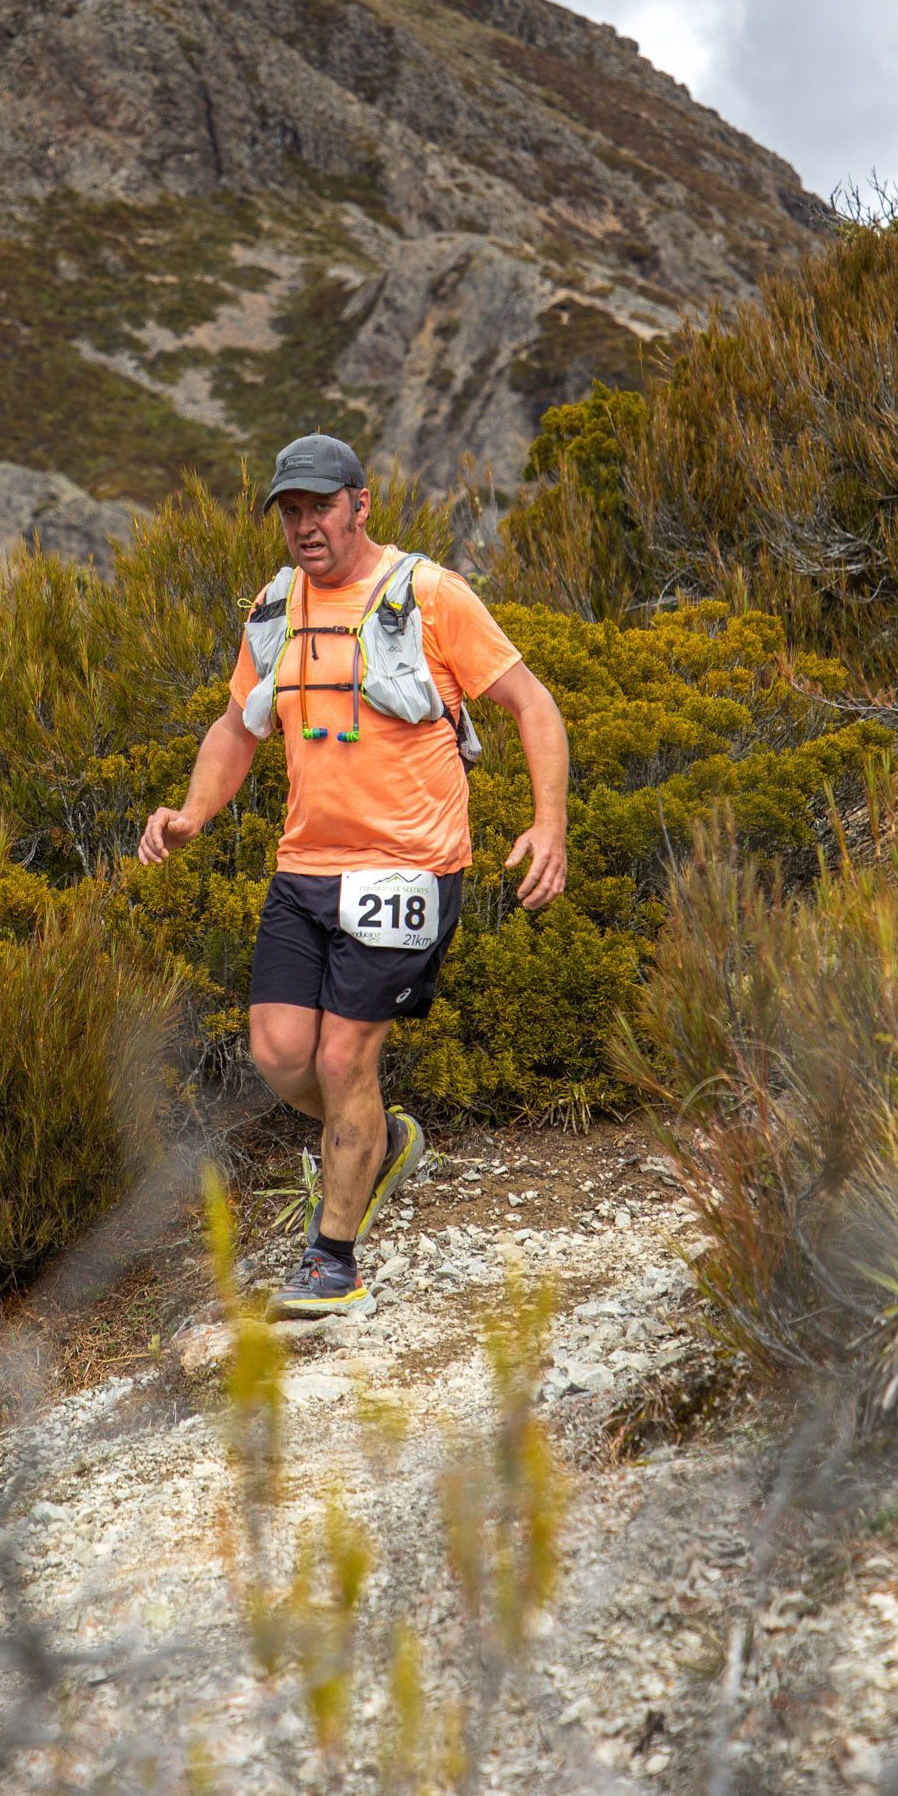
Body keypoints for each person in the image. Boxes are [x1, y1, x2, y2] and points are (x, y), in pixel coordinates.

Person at [137, 433, 569, 1316]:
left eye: (322, 508)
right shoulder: (275, 606)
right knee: (279, 1055)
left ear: (360, 505)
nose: (306, 527)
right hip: (304, 868)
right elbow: (237, 726)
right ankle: (384, 1142)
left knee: (342, 1059)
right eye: (290, 512)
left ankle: (332, 1263)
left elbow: (532, 704)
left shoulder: (430, 595)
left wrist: (548, 823)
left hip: (407, 869)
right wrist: (191, 814)